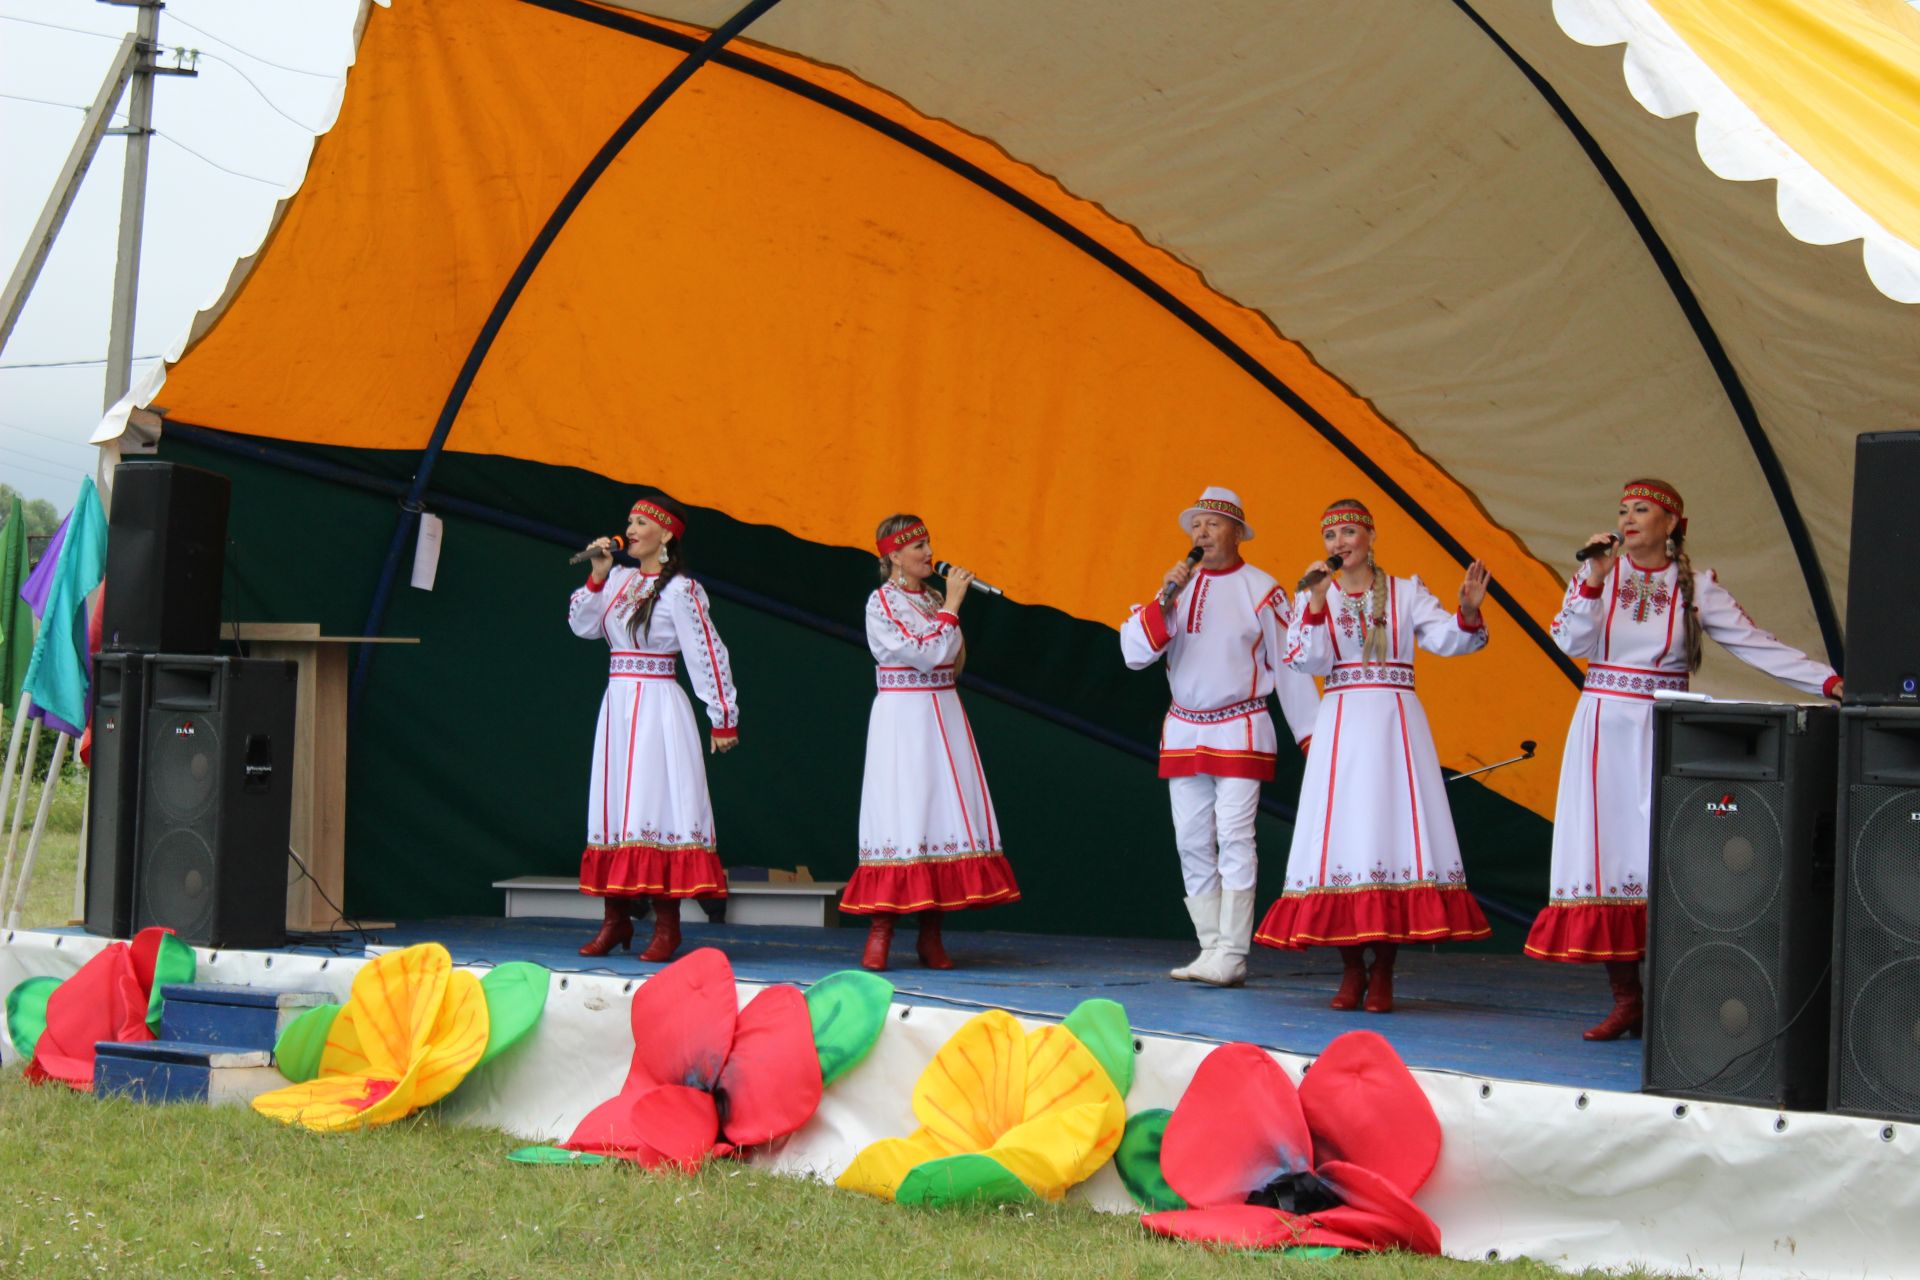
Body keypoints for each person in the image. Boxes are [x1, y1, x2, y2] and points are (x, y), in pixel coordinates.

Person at [1524, 478, 1841, 1040]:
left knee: (1672, 855)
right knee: (1608, 858)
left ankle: (1680, 996)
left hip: (1664, 727)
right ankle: (1627, 999)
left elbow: (1754, 643)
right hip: (1602, 726)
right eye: (1622, 510)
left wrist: (1828, 679)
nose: (1627, 518)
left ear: (1671, 523)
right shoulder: (1599, 576)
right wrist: (1593, 580)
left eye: (1641, 509)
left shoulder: (1696, 586)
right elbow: (1569, 642)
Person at [1254, 498, 1493, 1012]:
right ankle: (1349, 971)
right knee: (1344, 842)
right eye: (1331, 536)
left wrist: (1468, 612)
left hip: (1395, 727)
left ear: (1370, 535)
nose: (1340, 544)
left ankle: (1383, 971)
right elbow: (1305, 660)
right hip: (1342, 724)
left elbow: (1455, 641)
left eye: (1348, 533)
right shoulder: (1316, 595)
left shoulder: (1406, 592)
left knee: (1389, 838)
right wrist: (1315, 603)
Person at [1120, 486, 1319, 988]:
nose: (1201, 534)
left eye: (1211, 525)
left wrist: (1313, 737)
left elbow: (1291, 665)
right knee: (1191, 841)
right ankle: (1210, 947)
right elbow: (1133, 654)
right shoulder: (1177, 589)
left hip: (1241, 725)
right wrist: (1162, 600)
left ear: (1236, 532)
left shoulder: (1262, 589)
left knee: (1234, 836)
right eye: (1195, 526)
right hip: (1184, 727)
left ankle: (1232, 951)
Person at [840, 514, 1020, 971]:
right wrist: (954, 605)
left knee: (938, 815)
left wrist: (947, 606)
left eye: (927, 543)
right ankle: (880, 933)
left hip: (943, 714)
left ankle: (931, 935)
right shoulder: (881, 602)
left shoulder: (934, 599)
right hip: (904, 719)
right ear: (893, 556)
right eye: (916, 546)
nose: (927, 552)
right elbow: (926, 654)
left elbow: (953, 660)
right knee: (901, 817)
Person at [568, 495, 739, 961]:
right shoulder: (619, 580)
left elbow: (707, 651)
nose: (631, 528)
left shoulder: (681, 590)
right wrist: (598, 575)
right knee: (616, 811)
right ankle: (615, 920)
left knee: (658, 809)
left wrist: (722, 714)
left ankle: (668, 926)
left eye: (642, 522)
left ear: (665, 535)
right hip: (619, 705)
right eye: (630, 520)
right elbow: (582, 627)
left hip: (658, 705)